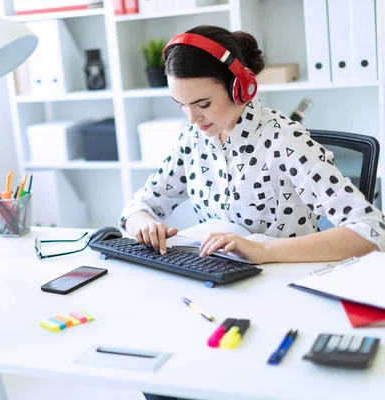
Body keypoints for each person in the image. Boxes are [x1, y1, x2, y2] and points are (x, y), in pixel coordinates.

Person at [119, 25, 385, 275]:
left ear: (240, 88)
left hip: (284, 284)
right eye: (181, 105)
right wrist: (145, 227)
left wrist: (264, 249)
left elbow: (372, 230)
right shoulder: (192, 138)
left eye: (203, 104)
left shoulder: (286, 140)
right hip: (217, 281)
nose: (192, 118)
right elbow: (137, 206)